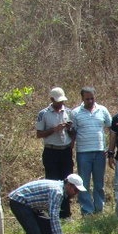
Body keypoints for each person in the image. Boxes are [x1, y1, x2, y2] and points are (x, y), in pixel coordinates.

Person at [70, 87, 111, 215]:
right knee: (84, 183)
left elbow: (111, 127)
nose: (90, 101)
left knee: (99, 183)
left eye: (92, 98)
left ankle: (99, 209)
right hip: (83, 153)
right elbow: (73, 132)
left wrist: (109, 147)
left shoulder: (102, 110)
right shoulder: (75, 112)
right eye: (87, 99)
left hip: (100, 152)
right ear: (82, 98)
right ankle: (87, 210)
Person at [35, 87, 74, 219]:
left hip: (66, 151)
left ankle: (66, 213)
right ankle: (53, 213)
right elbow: (39, 134)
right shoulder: (43, 114)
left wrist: (69, 129)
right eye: (58, 101)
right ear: (51, 99)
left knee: (67, 182)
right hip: (51, 151)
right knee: (52, 182)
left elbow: (74, 133)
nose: (61, 103)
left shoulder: (68, 112)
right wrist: (54, 129)